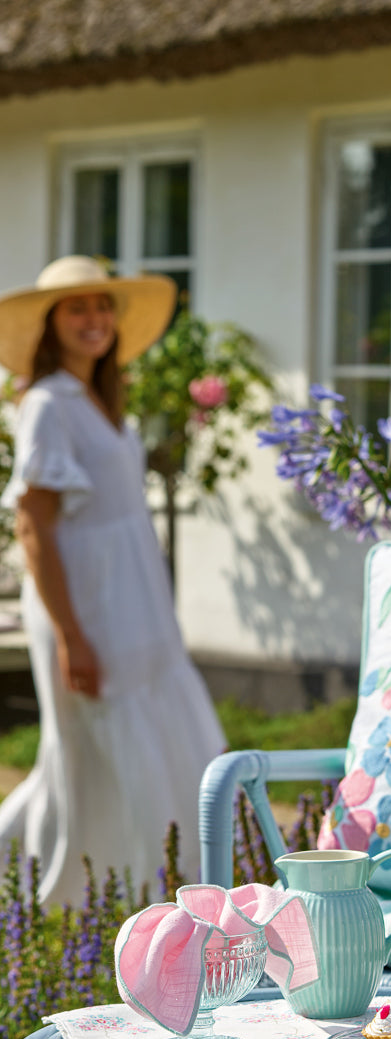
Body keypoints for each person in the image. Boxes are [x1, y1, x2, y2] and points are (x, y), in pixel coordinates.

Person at [0, 255, 225, 906]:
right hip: (86, 605)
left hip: (136, 599)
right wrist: (72, 635)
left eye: (102, 306)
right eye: (77, 308)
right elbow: (34, 527)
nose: (93, 319)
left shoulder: (105, 399)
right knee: (93, 752)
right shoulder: (47, 404)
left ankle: (171, 886)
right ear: (51, 323)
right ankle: (106, 895)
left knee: (156, 731)